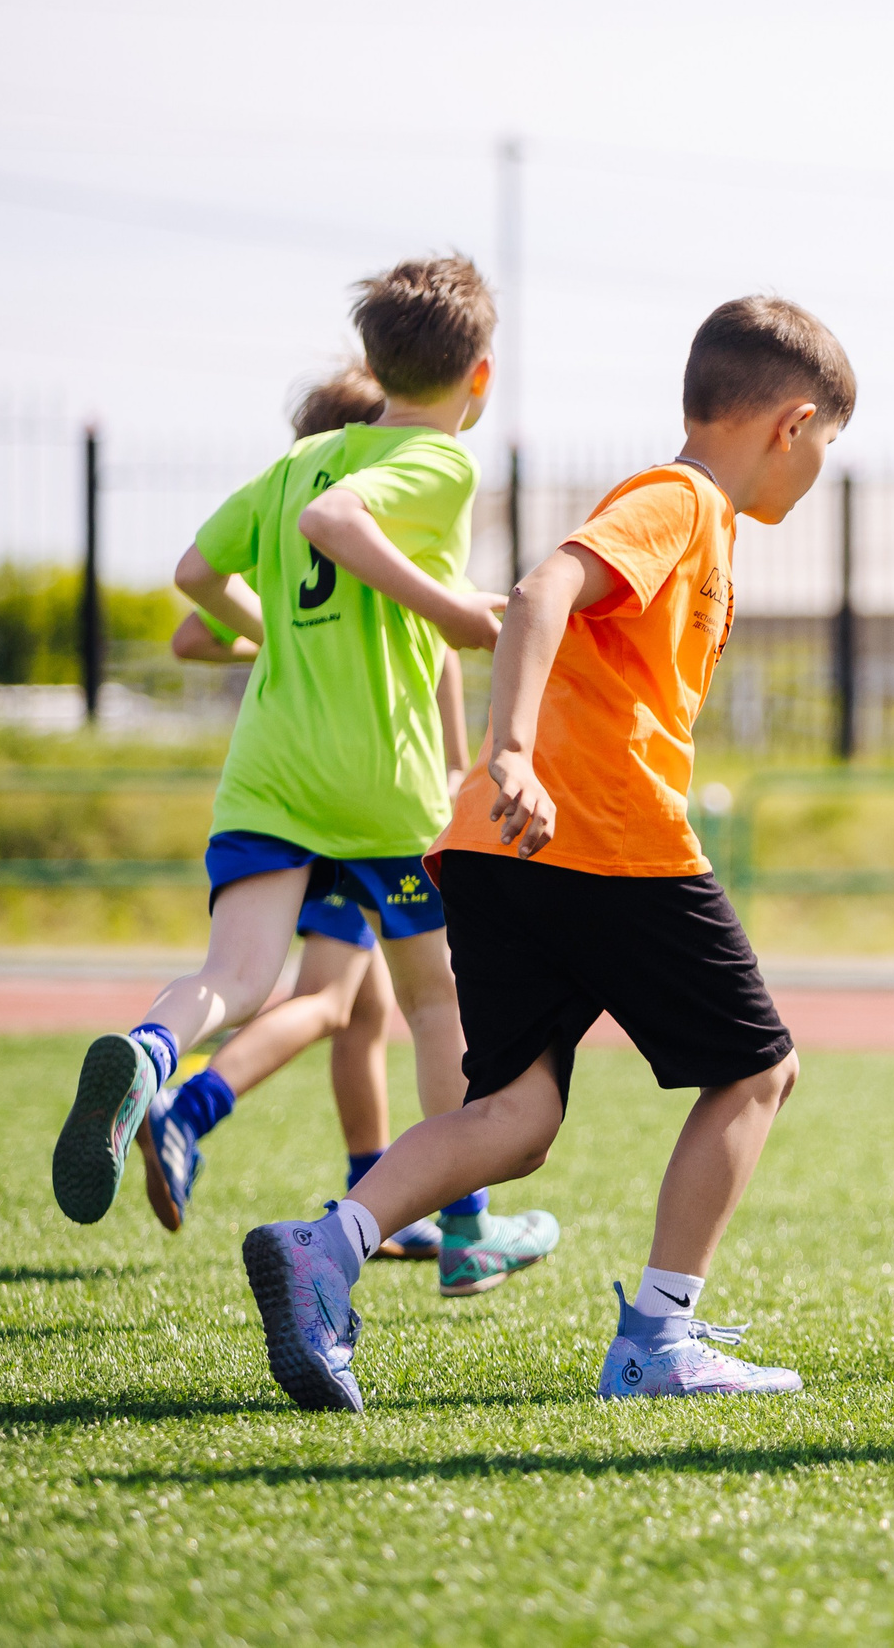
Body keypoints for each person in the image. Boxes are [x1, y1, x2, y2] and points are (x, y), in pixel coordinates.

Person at [240, 295, 852, 1412]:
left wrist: (507, 773)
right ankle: (661, 1339)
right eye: (824, 447)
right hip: (598, 835)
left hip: (500, 845)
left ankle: (324, 1249)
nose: (814, 471)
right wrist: (513, 749)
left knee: (516, 1118)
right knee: (758, 1069)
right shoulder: (681, 498)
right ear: (791, 424)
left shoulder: (689, 513)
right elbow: (542, 591)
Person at [51, 258, 556, 1313]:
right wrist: (458, 613)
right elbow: (341, 531)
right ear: (482, 377)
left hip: (270, 769)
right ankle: (465, 1233)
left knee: (234, 978)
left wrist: (273, 631)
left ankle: (152, 1058)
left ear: (370, 363)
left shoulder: (306, 457)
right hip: (379, 779)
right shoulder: (443, 461)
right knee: (434, 1006)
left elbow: (194, 573)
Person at [156, 361, 517, 1275]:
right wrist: (458, 768)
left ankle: (377, 1188)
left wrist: (275, 632)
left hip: (279, 784)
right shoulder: (400, 520)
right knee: (343, 1001)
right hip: (375, 797)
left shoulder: (289, 501)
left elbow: (189, 629)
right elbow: (435, 661)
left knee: (357, 1010)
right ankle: (194, 1112)